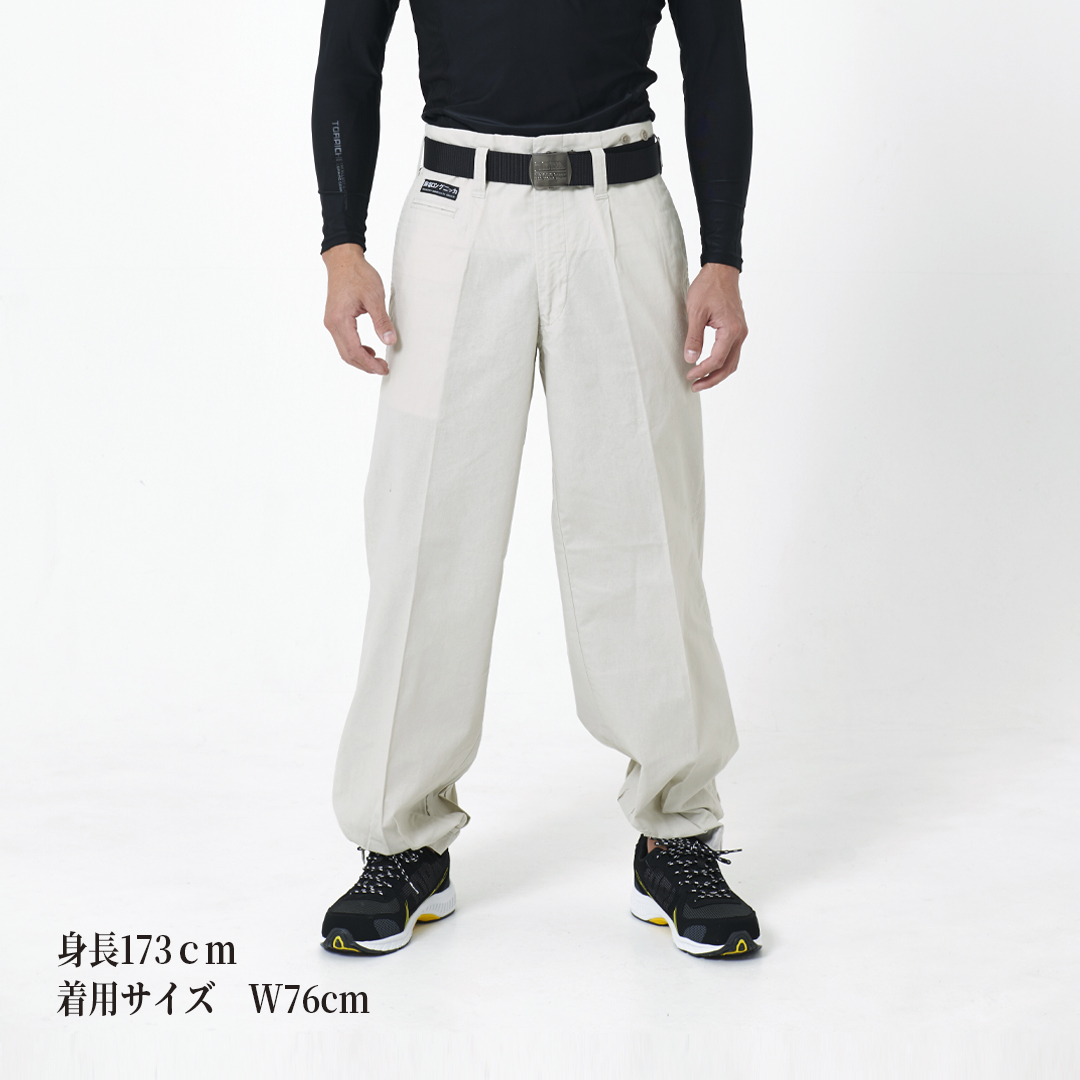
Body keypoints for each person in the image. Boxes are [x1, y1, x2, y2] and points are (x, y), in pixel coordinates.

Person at [311, 0, 761, 960]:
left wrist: (723, 254)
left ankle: (678, 833)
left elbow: (716, 60)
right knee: (426, 532)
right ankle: (401, 842)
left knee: (644, 527)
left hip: (619, 208)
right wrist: (341, 241)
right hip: (455, 211)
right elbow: (349, 52)